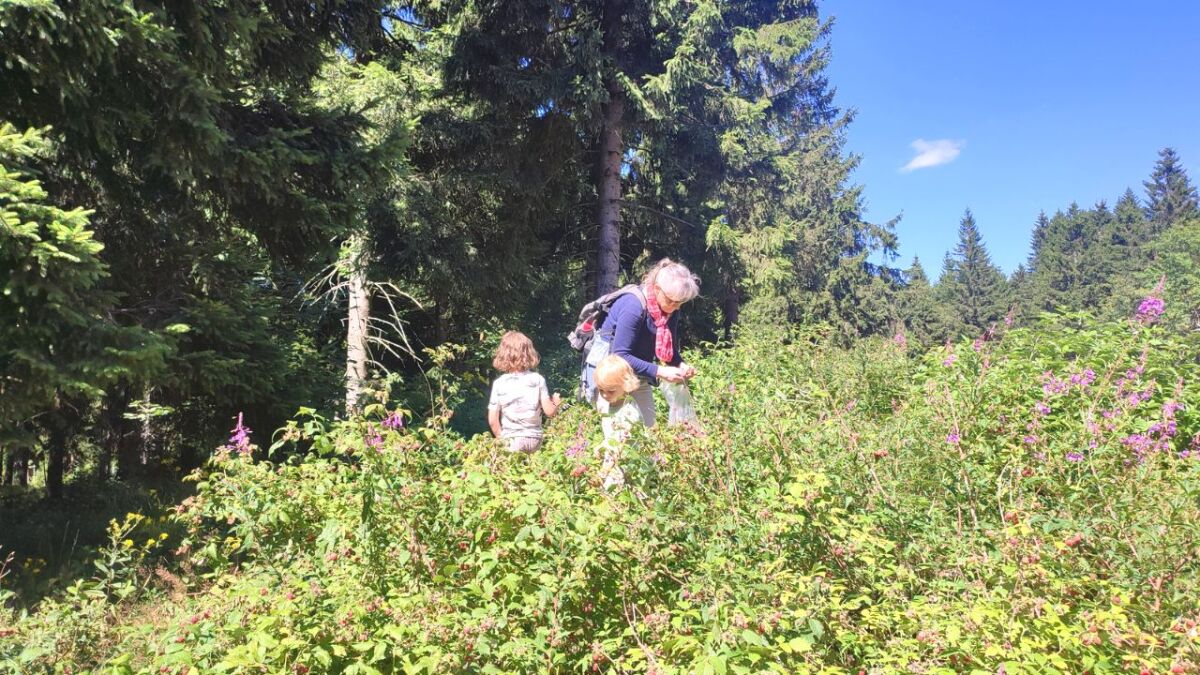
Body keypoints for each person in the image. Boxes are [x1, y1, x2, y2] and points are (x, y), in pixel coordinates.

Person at [587, 258, 700, 426]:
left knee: (649, 430)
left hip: (637, 374)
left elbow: (670, 350)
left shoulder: (670, 311)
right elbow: (621, 355)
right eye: (671, 301)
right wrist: (661, 371)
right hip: (610, 376)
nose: (675, 307)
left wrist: (681, 365)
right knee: (618, 436)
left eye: (680, 303)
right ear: (657, 289)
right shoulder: (633, 306)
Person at [487, 331, 562, 452]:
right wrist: (556, 403)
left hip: (510, 439)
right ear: (529, 353)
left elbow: (492, 420)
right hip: (534, 439)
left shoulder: (499, 384)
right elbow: (549, 412)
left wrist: (502, 439)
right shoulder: (537, 379)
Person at [593, 355, 643, 490]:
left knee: (622, 494)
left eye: (610, 391)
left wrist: (603, 473)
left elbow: (619, 447)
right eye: (601, 390)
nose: (604, 395)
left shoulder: (629, 413)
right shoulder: (607, 403)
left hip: (628, 464)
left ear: (626, 385)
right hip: (613, 460)